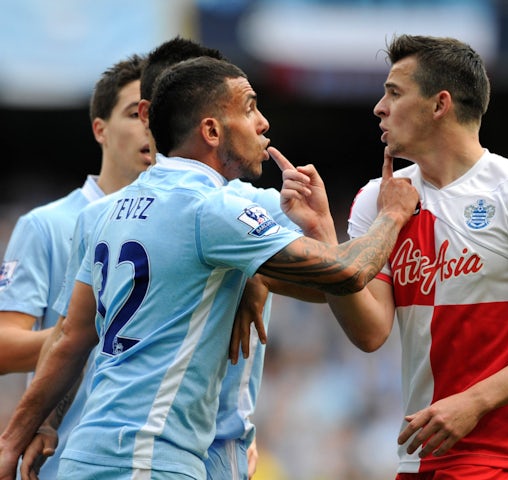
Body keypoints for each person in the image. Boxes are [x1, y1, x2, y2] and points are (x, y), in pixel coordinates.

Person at [0, 56, 419, 480]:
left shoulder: (101, 214)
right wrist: (392, 215)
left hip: (84, 456)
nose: (263, 122)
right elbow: (345, 272)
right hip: (151, 458)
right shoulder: (212, 209)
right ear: (212, 131)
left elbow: (73, 337)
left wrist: (18, 437)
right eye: (250, 107)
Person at [327, 34, 508, 479]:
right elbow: (370, 331)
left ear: (440, 105)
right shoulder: (378, 199)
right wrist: (322, 235)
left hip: (503, 455)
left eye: (394, 93)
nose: (380, 107)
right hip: (418, 455)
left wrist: (475, 402)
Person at [0, 53, 150, 479]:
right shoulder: (47, 225)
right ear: (99, 129)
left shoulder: (182, 225)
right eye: (134, 113)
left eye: (157, 115)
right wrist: (82, 332)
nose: (150, 127)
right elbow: (3, 345)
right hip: (64, 462)